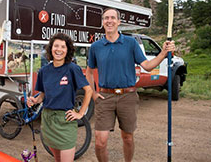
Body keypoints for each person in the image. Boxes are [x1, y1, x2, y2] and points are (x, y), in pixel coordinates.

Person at [85, 8, 175, 162]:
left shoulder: (130, 43)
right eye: (106, 18)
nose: (109, 20)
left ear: (119, 22)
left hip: (128, 96)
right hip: (105, 96)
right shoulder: (96, 47)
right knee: (100, 142)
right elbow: (89, 72)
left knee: (127, 137)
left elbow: (147, 65)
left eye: (113, 18)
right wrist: (93, 93)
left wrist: (162, 53)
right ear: (102, 22)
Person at [27, 33, 93, 162]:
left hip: (65, 121)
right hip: (48, 120)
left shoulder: (73, 69)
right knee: (57, 159)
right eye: (56, 46)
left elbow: (88, 90)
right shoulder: (44, 71)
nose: (59, 49)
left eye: (63, 47)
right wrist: (35, 100)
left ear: (67, 50)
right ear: (51, 48)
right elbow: (43, 94)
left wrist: (80, 113)